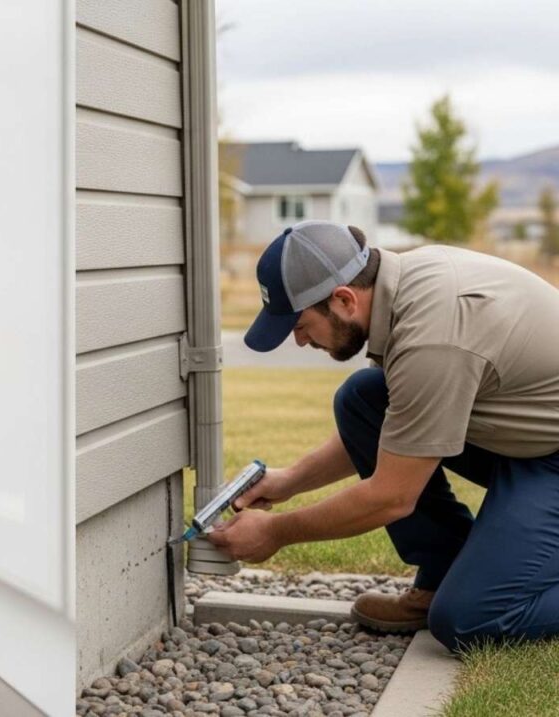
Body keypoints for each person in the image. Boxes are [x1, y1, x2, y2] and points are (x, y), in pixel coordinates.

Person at [207, 220, 559, 652]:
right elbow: (400, 431)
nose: (298, 341)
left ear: (343, 300)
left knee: (471, 618)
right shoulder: (402, 291)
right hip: (531, 436)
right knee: (363, 397)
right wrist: (290, 480)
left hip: (549, 456)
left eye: (300, 325)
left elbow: (392, 496)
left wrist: (276, 531)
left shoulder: (433, 335)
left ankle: (462, 592)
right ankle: (442, 573)